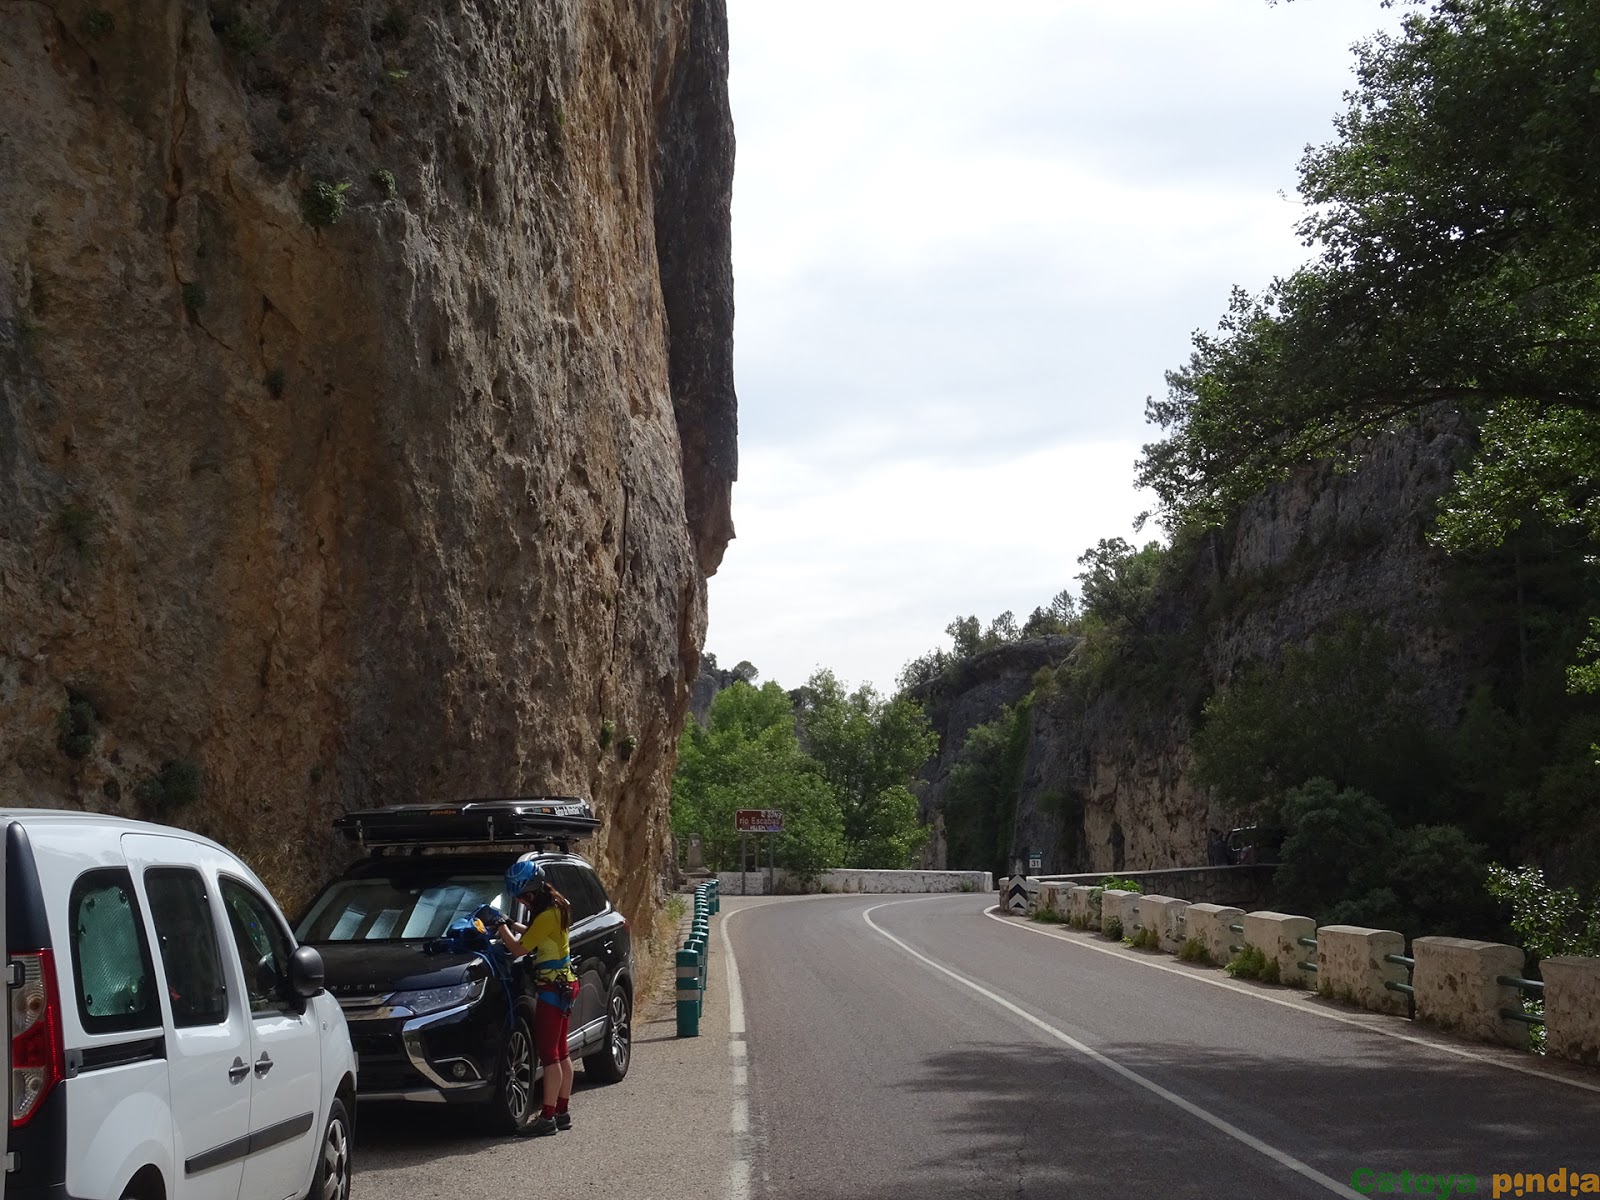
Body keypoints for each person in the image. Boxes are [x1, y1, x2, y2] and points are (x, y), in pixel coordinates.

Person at [496, 860, 579, 1136]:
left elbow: (519, 950)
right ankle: (562, 1111)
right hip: (566, 984)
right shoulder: (559, 905)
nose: (521, 901)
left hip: (552, 990)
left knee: (549, 1056)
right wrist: (512, 923)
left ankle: (547, 1118)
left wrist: (500, 928)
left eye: (520, 897)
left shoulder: (545, 916)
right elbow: (536, 936)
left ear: (529, 894)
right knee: (562, 1051)